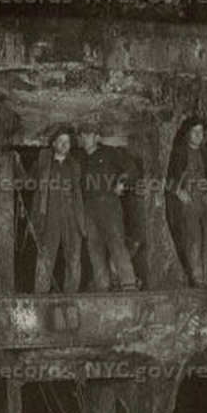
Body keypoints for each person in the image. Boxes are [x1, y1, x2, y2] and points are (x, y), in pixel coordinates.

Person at [77, 121, 138, 292]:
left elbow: (131, 167)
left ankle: (129, 284)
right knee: (94, 247)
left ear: (97, 137)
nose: (84, 138)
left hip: (109, 203)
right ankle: (103, 287)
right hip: (88, 206)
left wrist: (122, 183)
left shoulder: (110, 153)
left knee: (116, 242)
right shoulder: (80, 158)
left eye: (88, 135)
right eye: (82, 135)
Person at [31, 125, 86, 293]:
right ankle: (40, 295)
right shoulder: (43, 164)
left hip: (71, 217)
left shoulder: (75, 166)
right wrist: (16, 164)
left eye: (67, 142)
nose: (64, 145)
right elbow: (27, 182)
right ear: (53, 144)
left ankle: (71, 295)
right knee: (46, 256)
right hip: (50, 217)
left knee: (74, 258)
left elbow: (81, 194)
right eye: (60, 141)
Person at [168, 115, 207, 287]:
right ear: (188, 134)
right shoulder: (179, 153)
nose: (198, 135)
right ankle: (198, 279)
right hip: (189, 201)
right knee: (193, 240)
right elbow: (170, 177)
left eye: (201, 132)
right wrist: (178, 191)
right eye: (194, 132)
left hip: (206, 200)